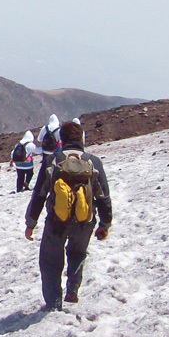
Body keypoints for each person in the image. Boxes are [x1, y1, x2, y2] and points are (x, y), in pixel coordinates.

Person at [24, 121, 112, 311]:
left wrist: (31, 223)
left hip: (57, 221)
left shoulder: (52, 161)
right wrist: (105, 224)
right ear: (82, 138)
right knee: (78, 252)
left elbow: (39, 194)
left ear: (61, 139)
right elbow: (103, 196)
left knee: (50, 260)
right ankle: (73, 287)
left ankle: (54, 302)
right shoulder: (93, 162)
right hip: (84, 221)